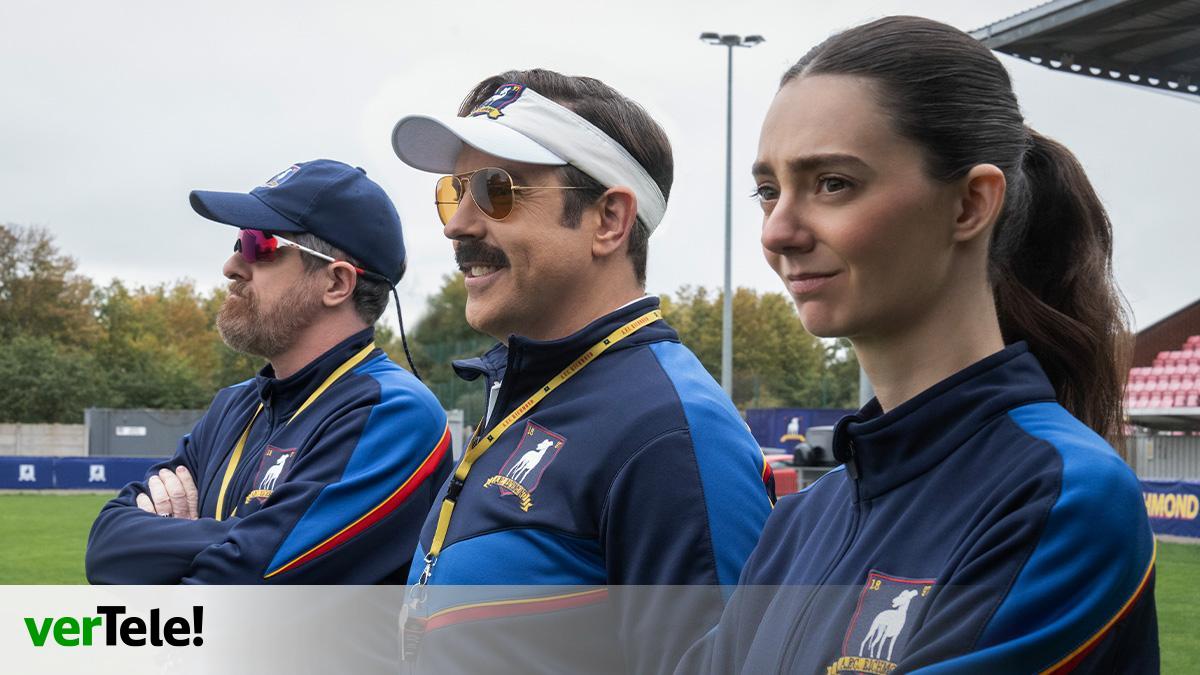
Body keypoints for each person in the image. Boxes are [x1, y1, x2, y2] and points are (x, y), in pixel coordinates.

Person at [678, 16, 1158, 674]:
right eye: (768, 191)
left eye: (832, 183)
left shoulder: (1061, 497)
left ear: (970, 204)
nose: (778, 231)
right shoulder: (799, 524)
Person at [390, 70, 774, 673]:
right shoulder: (529, 393)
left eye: (495, 189)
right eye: (454, 191)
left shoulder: (671, 432)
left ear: (609, 220)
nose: (456, 224)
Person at [86, 159, 453, 584]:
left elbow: (244, 587)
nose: (231, 265)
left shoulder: (392, 412)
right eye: (237, 241)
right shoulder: (235, 404)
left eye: (257, 244)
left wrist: (180, 542)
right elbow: (106, 547)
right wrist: (234, 536)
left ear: (336, 283)